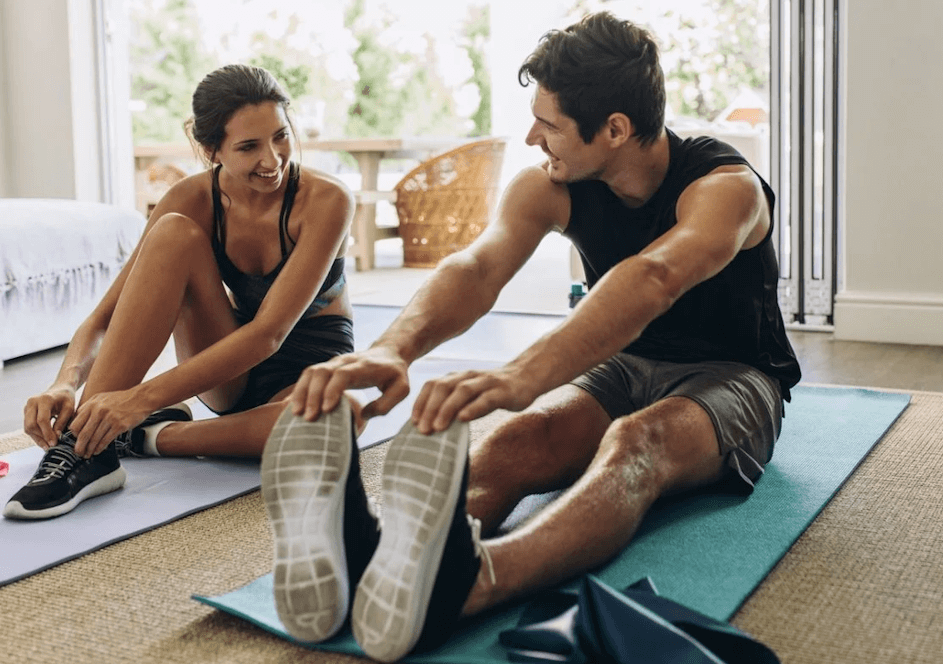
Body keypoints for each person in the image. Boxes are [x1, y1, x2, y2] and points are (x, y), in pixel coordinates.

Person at [260, 11, 801, 660]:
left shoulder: (726, 189)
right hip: (627, 361)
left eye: (548, 124)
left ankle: (473, 584)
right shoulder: (554, 184)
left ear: (616, 129)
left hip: (735, 375)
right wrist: (391, 348)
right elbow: (478, 267)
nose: (530, 136)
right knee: (521, 439)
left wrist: (523, 374)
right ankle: (376, 557)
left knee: (636, 443)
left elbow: (655, 277)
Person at [4, 64, 357, 521]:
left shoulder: (328, 200)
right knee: (172, 233)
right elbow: (106, 315)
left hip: (308, 367)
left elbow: (269, 334)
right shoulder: (192, 198)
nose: (272, 159)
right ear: (211, 150)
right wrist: (66, 381)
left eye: (281, 136)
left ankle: (142, 437)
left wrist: (139, 403)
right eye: (248, 146)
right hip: (228, 362)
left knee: (331, 425)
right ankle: (85, 450)